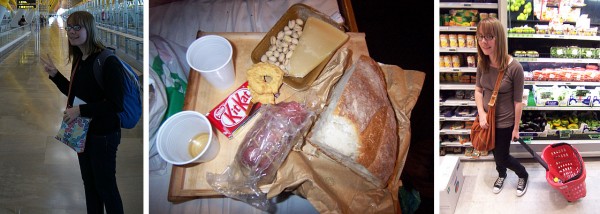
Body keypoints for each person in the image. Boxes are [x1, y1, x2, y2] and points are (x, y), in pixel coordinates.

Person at [40, 11, 125, 214]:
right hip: (82, 132)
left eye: (77, 27)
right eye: (69, 27)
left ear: (90, 28)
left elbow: (116, 104)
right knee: (90, 185)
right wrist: (55, 75)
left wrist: (81, 110)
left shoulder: (107, 61)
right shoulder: (81, 59)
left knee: (106, 188)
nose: (71, 31)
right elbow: (76, 91)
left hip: (103, 135)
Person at [474, 17, 528, 197]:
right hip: (487, 121)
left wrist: (516, 128)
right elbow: (479, 90)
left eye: (489, 36)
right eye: (481, 36)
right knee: (494, 152)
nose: (484, 41)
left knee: (502, 156)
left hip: (505, 122)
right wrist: (481, 114)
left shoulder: (515, 68)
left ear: (499, 38)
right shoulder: (482, 63)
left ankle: (523, 174)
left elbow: (518, 101)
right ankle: (502, 174)